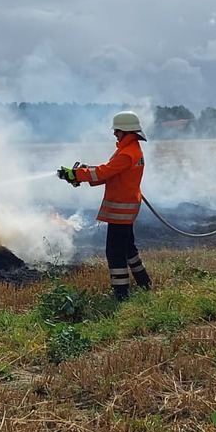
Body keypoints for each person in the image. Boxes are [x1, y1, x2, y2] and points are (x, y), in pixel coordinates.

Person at [57, 111, 152, 301]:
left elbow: (103, 172)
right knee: (128, 249)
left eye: (117, 130)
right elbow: (109, 172)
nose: (114, 134)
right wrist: (82, 171)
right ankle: (144, 282)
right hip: (126, 207)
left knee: (115, 252)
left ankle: (121, 294)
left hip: (121, 210)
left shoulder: (127, 154)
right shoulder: (129, 151)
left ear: (127, 131)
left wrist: (76, 175)